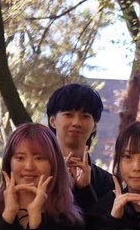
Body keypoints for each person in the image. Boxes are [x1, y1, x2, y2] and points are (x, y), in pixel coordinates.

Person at [48, 82, 114, 211]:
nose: (76, 123)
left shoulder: (106, 181)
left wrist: (85, 190)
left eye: (85, 116)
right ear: (53, 121)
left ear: (94, 126)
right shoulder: (38, 172)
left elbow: (104, 223)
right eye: (68, 114)